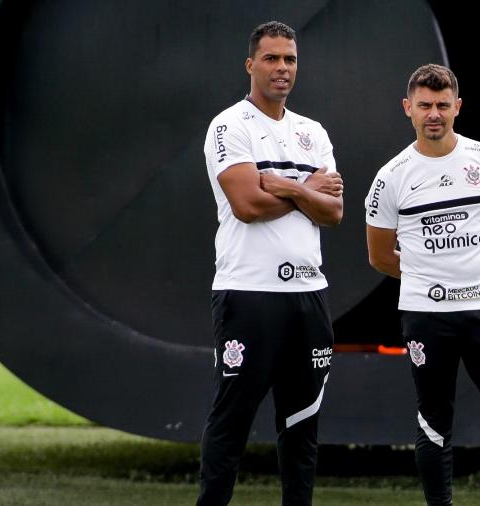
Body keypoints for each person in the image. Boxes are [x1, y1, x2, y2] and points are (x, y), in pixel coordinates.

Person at [364, 64, 480, 505]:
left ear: (458, 107)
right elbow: (379, 256)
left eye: (443, 105)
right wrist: (431, 279)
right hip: (427, 318)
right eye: (425, 105)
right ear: (408, 108)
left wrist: (473, 274)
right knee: (433, 423)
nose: (434, 114)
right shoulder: (391, 177)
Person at [198, 21, 344, 506]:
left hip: (308, 296)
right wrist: (307, 193)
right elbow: (247, 206)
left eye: (290, 60)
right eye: (272, 58)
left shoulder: (312, 132)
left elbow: (335, 212)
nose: (282, 68)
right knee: (232, 419)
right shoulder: (229, 126)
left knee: (302, 424)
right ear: (251, 65)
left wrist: (287, 187)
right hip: (249, 293)